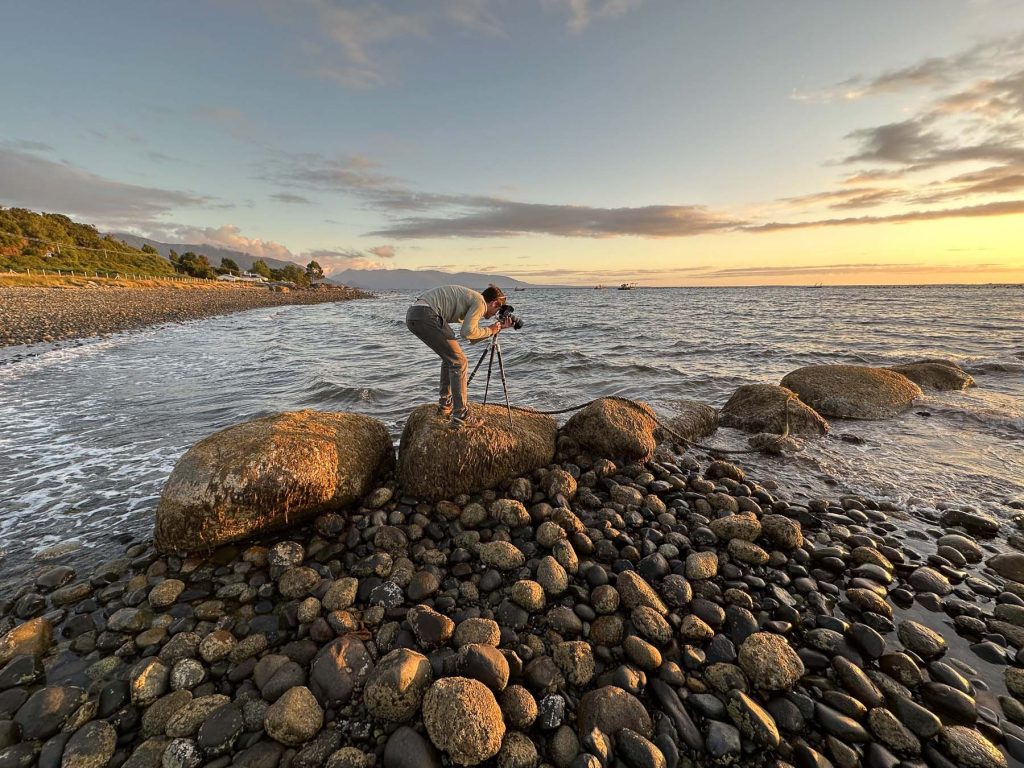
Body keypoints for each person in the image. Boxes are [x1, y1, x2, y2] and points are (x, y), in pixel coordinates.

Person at [406, 284, 513, 429]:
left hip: (415, 314)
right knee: (459, 362)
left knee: (450, 359)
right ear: (494, 303)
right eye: (497, 310)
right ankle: (461, 416)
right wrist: (489, 329)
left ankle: (445, 406)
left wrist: (494, 330)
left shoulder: (473, 299)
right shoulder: (480, 302)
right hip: (427, 314)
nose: (495, 314)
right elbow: (467, 332)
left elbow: (471, 338)